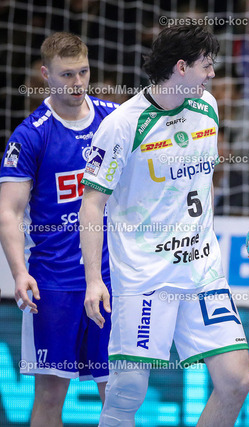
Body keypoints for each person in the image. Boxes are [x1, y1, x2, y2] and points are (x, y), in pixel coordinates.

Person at [78, 25, 249, 426]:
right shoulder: (123, 125)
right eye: (206, 65)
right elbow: (92, 204)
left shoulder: (207, 106)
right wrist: (93, 280)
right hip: (145, 276)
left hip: (201, 271)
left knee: (236, 381)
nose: (212, 74)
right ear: (181, 67)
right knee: (127, 393)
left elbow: (203, 180)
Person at [0, 32, 115, 426]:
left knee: (117, 394)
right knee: (50, 396)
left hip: (111, 279)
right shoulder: (31, 134)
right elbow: (9, 211)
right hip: (53, 284)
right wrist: (19, 273)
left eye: (83, 72)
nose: (77, 83)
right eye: (67, 75)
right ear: (45, 74)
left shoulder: (113, 119)